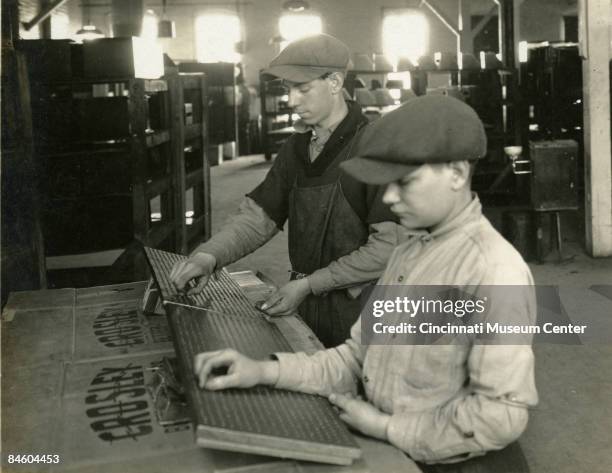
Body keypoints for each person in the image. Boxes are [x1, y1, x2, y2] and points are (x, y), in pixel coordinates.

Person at [191, 96, 539, 472]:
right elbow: (356, 357)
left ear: (456, 173)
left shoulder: (493, 271)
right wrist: (263, 371)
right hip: (397, 450)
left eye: (404, 182)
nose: (388, 198)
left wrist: (386, 427)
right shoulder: (408, 252)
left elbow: (501, 416)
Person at [170, 34, 399, 347]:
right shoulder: (297, 147)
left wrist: (310, 285)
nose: (292, 101)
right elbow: (259, 216)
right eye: (288, 89)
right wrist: (209, 257)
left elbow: (389, 248)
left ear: (334, 82)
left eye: (302, 89)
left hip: (366, 313)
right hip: (307, 302)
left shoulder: (375, 148)